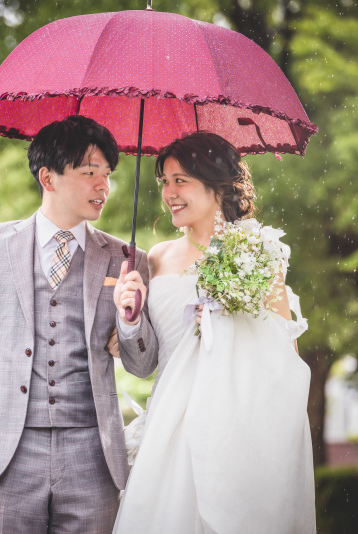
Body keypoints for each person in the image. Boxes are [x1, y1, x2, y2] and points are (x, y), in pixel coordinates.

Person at [0, 115, 159, 533]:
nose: (103, 186)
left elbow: (142, 365)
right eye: (89, 172)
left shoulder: (129, 260)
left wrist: (131, 321)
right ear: (48, 177)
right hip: (8, 452)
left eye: (108, 174)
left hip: (93, 454)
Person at [112, 132, 316, 533]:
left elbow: (284, 349)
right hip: (170, 423)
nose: (169, 193)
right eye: (164, 182)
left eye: (181, 180)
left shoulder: (256, 251)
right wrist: (128, 316)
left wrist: (224, 323)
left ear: (217, 184)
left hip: (235, 426)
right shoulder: (156, 258)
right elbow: (143, 356)